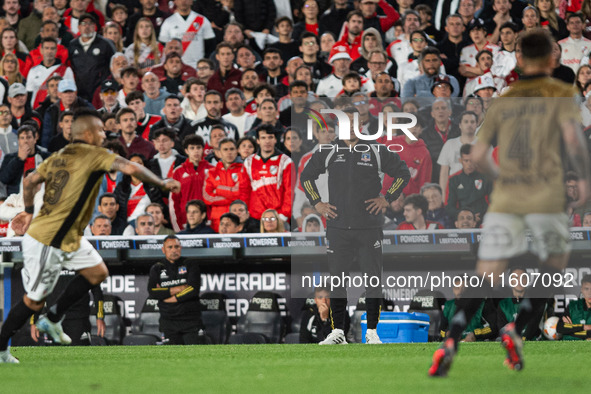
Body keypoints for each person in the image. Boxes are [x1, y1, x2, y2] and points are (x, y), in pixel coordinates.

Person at [429, 30, 591, 377]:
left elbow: (479, 154)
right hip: (546, 199)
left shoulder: (504, 100)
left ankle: (452, 339)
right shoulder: (561, 96)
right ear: (552, 59)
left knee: (486, 273)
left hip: (505, 201)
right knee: (552, 269)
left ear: (519, 60)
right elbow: (577, 151)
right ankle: (516, 330)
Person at [0, 109, 180, 363]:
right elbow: (131, 167)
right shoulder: (94, 154)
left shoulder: (60, 155)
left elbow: (29, 181)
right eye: (99, 129)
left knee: (97, 272)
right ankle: (0, 349)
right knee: (33, 301)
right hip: (47, 239)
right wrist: (162, 183)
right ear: (86, 133)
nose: (104, 133)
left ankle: (53, 318)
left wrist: (29, 211)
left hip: (68, 234)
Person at [300, 106, 410, 345]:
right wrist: (317, 203)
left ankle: (372, 332)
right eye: (345, 122)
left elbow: (403, 173)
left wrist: (387, 198)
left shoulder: (376, 150)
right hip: (338, 228)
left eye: (354, 122)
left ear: (360, 125)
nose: (349, 126)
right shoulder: (328, 150)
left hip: (369, 228)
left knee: (373, 281)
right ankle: (337, 331)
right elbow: (306, 176)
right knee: (338, 281)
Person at [147, 235, 205, 345]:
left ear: (181, 248)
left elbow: (193, 289)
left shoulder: (190, 264)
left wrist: (172, 297)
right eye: (170, 247)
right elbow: (152, 291)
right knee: (171, 358)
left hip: (191, 321)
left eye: (177, 246)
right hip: (168, 321)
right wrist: (177, 289)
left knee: (197, 356)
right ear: (163, 250)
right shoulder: (157, 268)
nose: (174, 250)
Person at [240, 124, 292, 221]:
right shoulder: (249, 162)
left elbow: (290, 192)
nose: (267, 141)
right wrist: (246, 213)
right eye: (263, 138)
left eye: (270, 137)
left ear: (275, 140)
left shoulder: (286, 161)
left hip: (278, 217)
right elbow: (244, 191)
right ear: (258, 141)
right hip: (254, 217)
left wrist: (283, 215)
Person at [68, 13, 116, 102]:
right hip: (80, 91)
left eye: (90, 23)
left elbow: (114, 66)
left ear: (94, 27)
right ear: (79, 27)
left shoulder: (105, 44)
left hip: (100, 91)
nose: (87, 26)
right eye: (83, 24)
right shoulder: (72, 45)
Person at [170, 135, 214, 232]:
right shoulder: (178, 171)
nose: (196, 151)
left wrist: (212, 220)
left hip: (208, 221)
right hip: (186, 221)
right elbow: (174, 200)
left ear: (203, 149)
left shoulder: (212, 170)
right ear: (186, 151)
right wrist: (178, 226)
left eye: (198, 148)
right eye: (192, 148)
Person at [158, 0, 216, 68]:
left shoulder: (202, 20)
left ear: (191, 1)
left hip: (198, 67)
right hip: (175, 66)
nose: (183, 2)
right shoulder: (168, 22)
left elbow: (210, 46)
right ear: (175, 2)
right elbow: (162, 46)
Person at [204, 138, 243, 232]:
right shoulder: (211, 172)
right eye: (225, 149)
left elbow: (241, 194)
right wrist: (231, 195)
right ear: (219, 152)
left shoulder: (243, 170)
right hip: (218, 222)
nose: (229, 152)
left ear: (237, 151)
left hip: (239, 221)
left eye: (232, 149)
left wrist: (218, 190)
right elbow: (207, 198)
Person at [0, 125, 49, 197]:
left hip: (41, 199)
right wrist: (19, 159)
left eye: (29, 137)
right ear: (18, 141)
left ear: (35, 139)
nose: (25, 141)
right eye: (22, 138)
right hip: (17, 201)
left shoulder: (46, 157)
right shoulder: (9, 158)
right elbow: (4, 179)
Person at [557, 274, 591, 340]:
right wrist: (585, 327)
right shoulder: (573, 306)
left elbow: (566, 335)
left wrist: (570, 330)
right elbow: (560, 328)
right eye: (586, 289)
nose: (590, 293)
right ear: (582, 290)